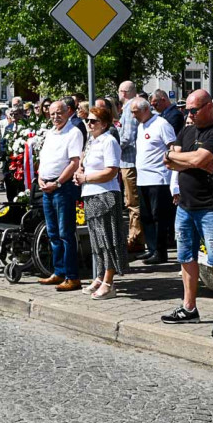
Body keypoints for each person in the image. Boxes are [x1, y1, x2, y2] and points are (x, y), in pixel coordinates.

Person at [163, 89, 213, 339]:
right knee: (185, 257)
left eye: (194, 110)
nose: (189, 114)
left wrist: (189, 159)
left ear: (209, 107)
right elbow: (169, 157)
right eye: (187, 110)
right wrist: (189, 159)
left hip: (210, 205)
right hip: (184, 205)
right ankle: (189, 307)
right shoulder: (188, 129)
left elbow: (194, 158)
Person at [74, 105, 128, 299]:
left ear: (104, 124)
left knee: (108, 239)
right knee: (97, 240)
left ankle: (109, 281)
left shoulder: (109, 141)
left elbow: (111, 170)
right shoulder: (92, 141)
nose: (89, 123)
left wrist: (86, 178)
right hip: (90, 194)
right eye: (88, 120)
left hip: (105, 194)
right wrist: (80, 174)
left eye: (93, 121)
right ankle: (99, 277)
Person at [35, 99, 84, 291]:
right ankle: (59, 271)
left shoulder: (73, 132)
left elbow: (74, 162)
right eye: (52, 113)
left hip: (62, 187)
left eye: (59, 113)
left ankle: (72, 276)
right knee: (53, 232)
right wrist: (40, 178)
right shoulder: (50, 133)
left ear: (68, 112)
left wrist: (57, 182)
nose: (55, 116)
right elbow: (44, 158)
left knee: (66, 233)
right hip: (47, 185)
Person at [133, 98, 177, 264]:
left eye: (135, 112)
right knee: (146, 216)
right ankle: (151, 248)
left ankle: (160, 251)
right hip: (143, 178)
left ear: (145, 110)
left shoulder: (161, 124)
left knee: (158, 215)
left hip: (158, 178)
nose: (133, 116)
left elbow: (172, 146)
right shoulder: (140, 126)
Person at [117, 81, 144, 253]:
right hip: (129, 161)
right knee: (132, 201)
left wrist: (111, 148)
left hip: (129, 161)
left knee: (132, 202)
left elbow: (126, 137)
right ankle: (137, 237)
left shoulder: (128, 109)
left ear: (124, 92)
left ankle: (135, 238)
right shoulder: (129, 108)